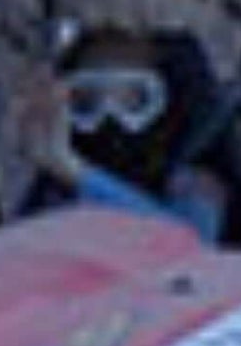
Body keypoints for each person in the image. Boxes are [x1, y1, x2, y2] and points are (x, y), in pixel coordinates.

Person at [17, 28, 225, 241]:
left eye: (133, 100)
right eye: (88, 102)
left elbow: (188, 247)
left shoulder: (197, 176)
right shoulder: (56, 184)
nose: (110, 120)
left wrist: (75, 171)